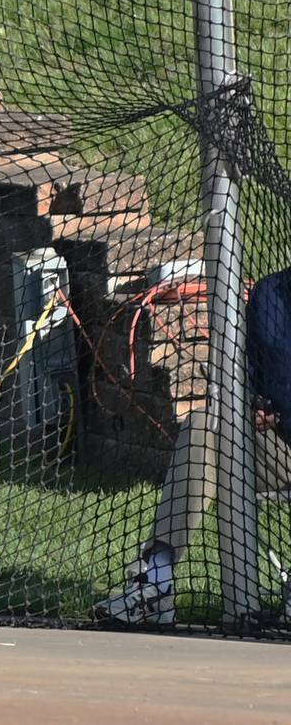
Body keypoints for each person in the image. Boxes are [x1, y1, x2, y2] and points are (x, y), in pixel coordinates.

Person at [94, 267, 291, 625]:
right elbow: (262, 379)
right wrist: (249, 404)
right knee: (205, 425)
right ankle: (155, 582)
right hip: (282, 447)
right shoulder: (270, 295)